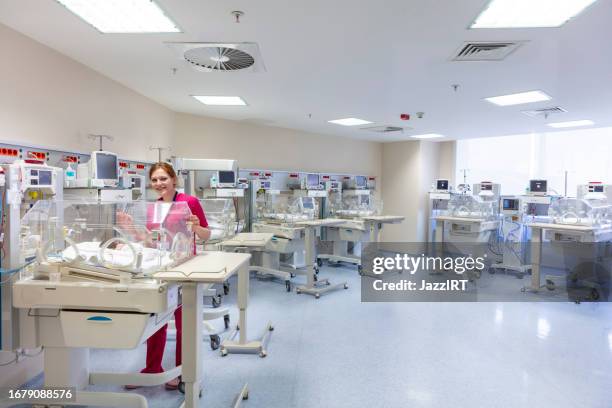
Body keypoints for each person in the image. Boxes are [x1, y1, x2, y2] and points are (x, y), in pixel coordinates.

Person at [128, 162, 210, 390]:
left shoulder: (189, 202)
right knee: (157, 320)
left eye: (163, 178)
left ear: (174, 179)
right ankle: (152, 368)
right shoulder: (154, 207)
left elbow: (206, 234)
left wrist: (195, 227)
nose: (159, 184)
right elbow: (150, 241)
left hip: (184, 267)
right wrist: (134, 232)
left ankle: (183, 371)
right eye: (154, 180)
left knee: (184, 323)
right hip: (161, 267)